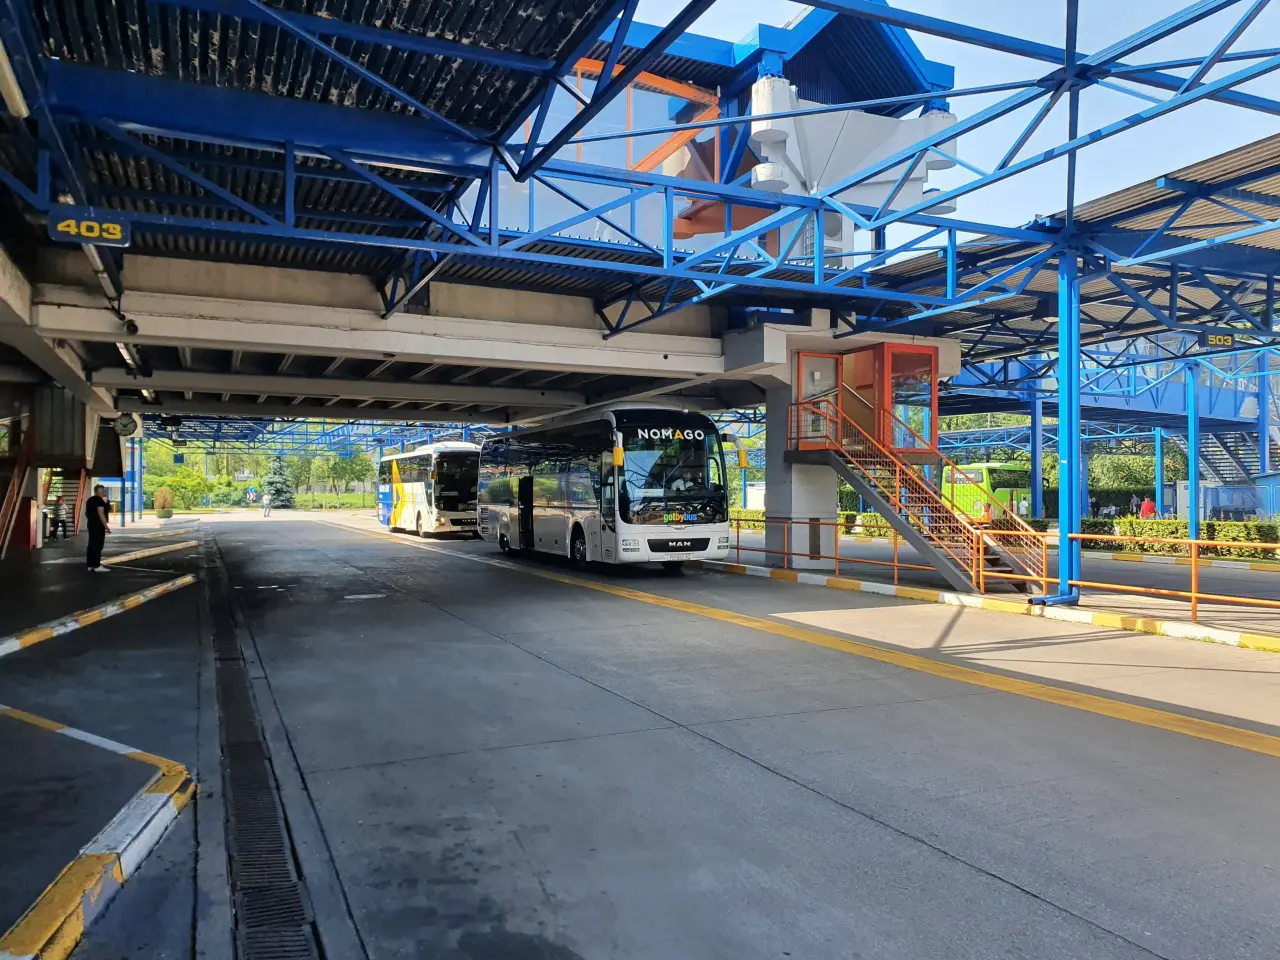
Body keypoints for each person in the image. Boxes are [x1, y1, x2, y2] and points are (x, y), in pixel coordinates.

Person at [85, 484, 111, 572]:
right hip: (98, 525)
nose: (104, 492)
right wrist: (106, 526)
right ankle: (96, 565)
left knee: (91, 543)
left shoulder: (90, 500)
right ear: (99, 491)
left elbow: (87, 513)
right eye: (103, 491)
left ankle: (90, 564)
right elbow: (101, 513)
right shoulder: (99, 500)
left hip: (91, 524)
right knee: (98, 544)